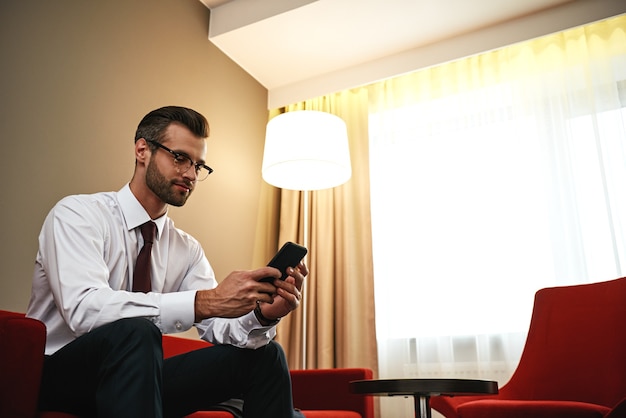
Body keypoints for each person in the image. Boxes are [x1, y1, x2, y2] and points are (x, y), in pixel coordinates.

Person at [26, 105, 308, 418]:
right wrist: (205, 302)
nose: (190, 174)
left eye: (198, 166)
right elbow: (84, 309)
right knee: (137, 333)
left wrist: (263, 316)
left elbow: (219, 325)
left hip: (137, 376)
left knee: (267, 355)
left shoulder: (186, 248)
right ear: (142, 150)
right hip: (58, 375)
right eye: (179, 158)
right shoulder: (77, 215)